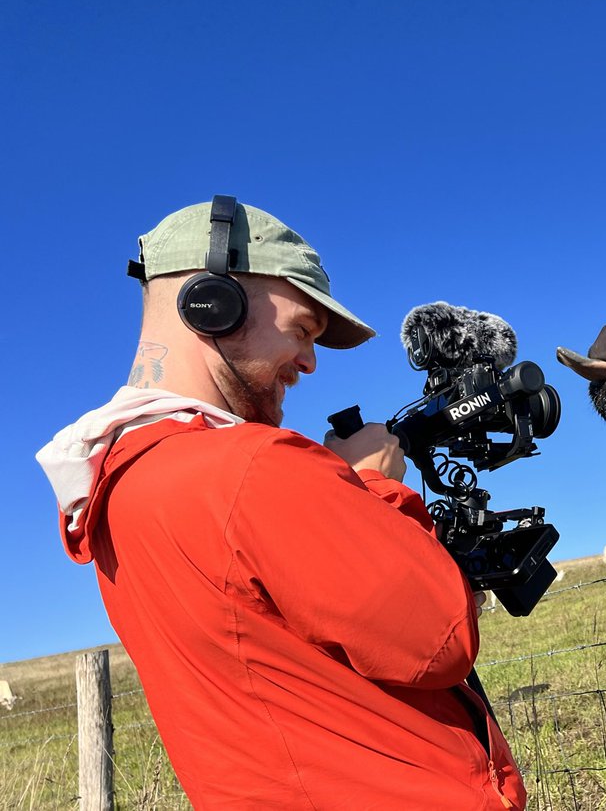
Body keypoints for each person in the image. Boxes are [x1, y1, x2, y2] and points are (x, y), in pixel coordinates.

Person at [36, 197, 526, 810]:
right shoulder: (251, 467)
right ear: (211, 301)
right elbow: (438, 638)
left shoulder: (116, 486)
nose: (310, 362)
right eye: (302, 329)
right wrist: (373, 487)